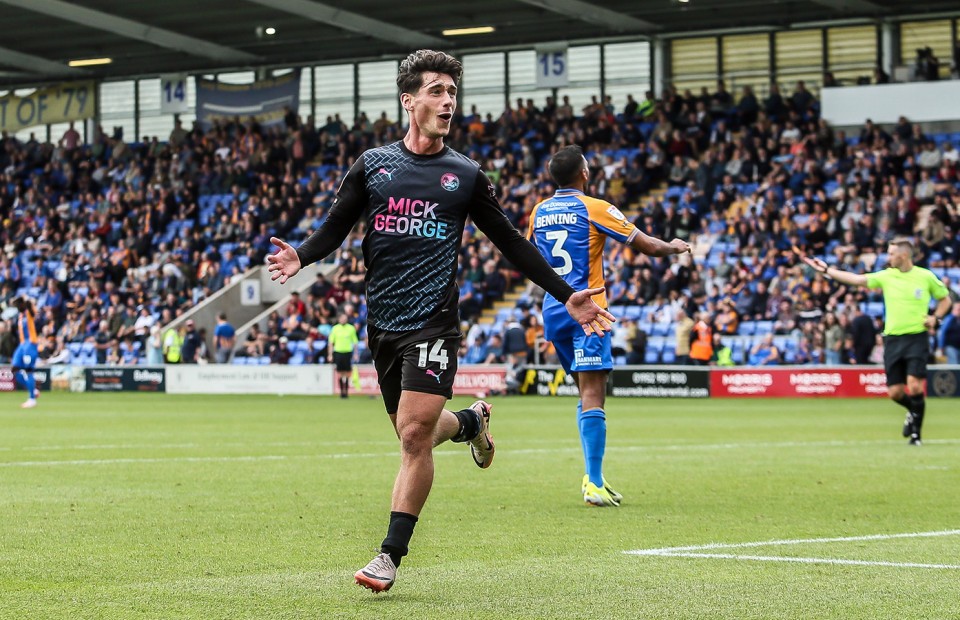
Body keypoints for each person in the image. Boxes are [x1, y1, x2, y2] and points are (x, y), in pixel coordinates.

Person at [266, 50, 614, 593]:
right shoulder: (373, 165)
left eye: (452, 92)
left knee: (412, 438)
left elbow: (511, 243)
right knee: (417, 434)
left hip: (434, 323)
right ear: (410, 101)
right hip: (382, 322)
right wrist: (302, 256)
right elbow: (336, 226)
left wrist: (568, 294)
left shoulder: (465, 174)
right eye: (436, 91)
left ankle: (389, 556)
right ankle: (472, 423)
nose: (447, 101)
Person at [526, 144, 690, 507]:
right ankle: (595, 482)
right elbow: (645, 245)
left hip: (554, 310)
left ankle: (591, 476)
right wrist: (675, 247)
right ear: (584, 174)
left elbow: (528, 255)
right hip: (589, 311)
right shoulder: (595, 207)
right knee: (593, 395)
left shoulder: (539, 211)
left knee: (585, 393)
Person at [802, 239, 951, 446]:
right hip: (893, 339)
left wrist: (936, 318)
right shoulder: (887, 276)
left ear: (904, 255)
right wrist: (827, 270)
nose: (888, 258)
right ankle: (912, 411)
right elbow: (856, 280)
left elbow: (945, 300)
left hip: (917, 337)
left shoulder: (925, 277)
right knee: (895, 393)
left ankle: (916, 435)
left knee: (915, 386)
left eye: (891, 254)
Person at [12, 297, 40, 408]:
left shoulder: (29, 312)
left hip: (31, 344)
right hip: (22, 345)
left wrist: (26, 299)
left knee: (29, 371)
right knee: (15, 369)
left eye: (18, 304)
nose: (17, 307)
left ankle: (32, 399)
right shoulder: (20, 316)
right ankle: (33, 390)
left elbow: (31, 306)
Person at [328, 313, 359, 398]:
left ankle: (346, 391)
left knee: (347, 372)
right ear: (339, 319)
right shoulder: (335, 328)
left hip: (348, 352)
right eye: (342, 318)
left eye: (345, 318)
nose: (343, 320)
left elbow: (355, 342)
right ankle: (342, 392)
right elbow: (331, 342)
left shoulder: (351, 328)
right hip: (338, 352)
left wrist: (356, 354)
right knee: (340, 372)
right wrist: (330, 354)